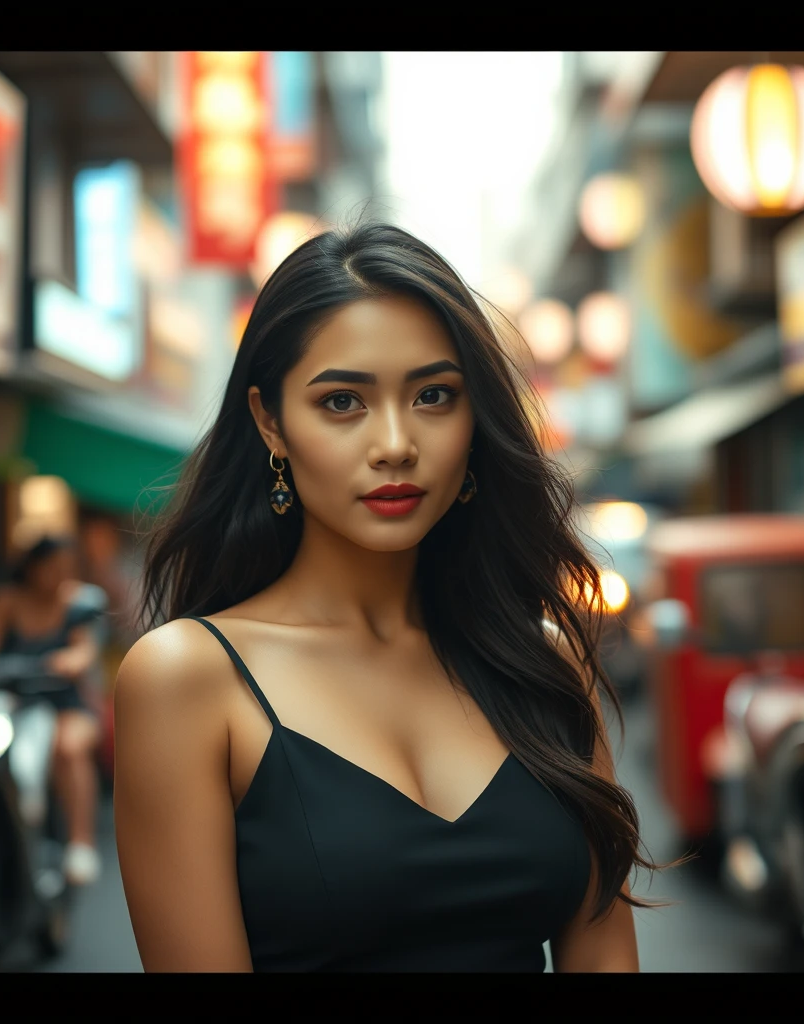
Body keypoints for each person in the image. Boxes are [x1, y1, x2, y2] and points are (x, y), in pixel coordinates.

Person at [114, 222, 656, 972]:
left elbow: (603, 959)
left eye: (434, 395)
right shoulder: (187, 678)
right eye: (342, 402)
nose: (397, 443)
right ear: (271, 421)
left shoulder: (545, 665)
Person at [0, 535, 102, 886]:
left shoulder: (77, 600)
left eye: (66, 568)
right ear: (32, 568)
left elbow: (85, 650)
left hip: (66, 702)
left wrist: (67, 661)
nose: (60, 575)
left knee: (69, 748)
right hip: (18, 702)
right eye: (52, 567)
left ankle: (80, 842)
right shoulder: (8, 600)